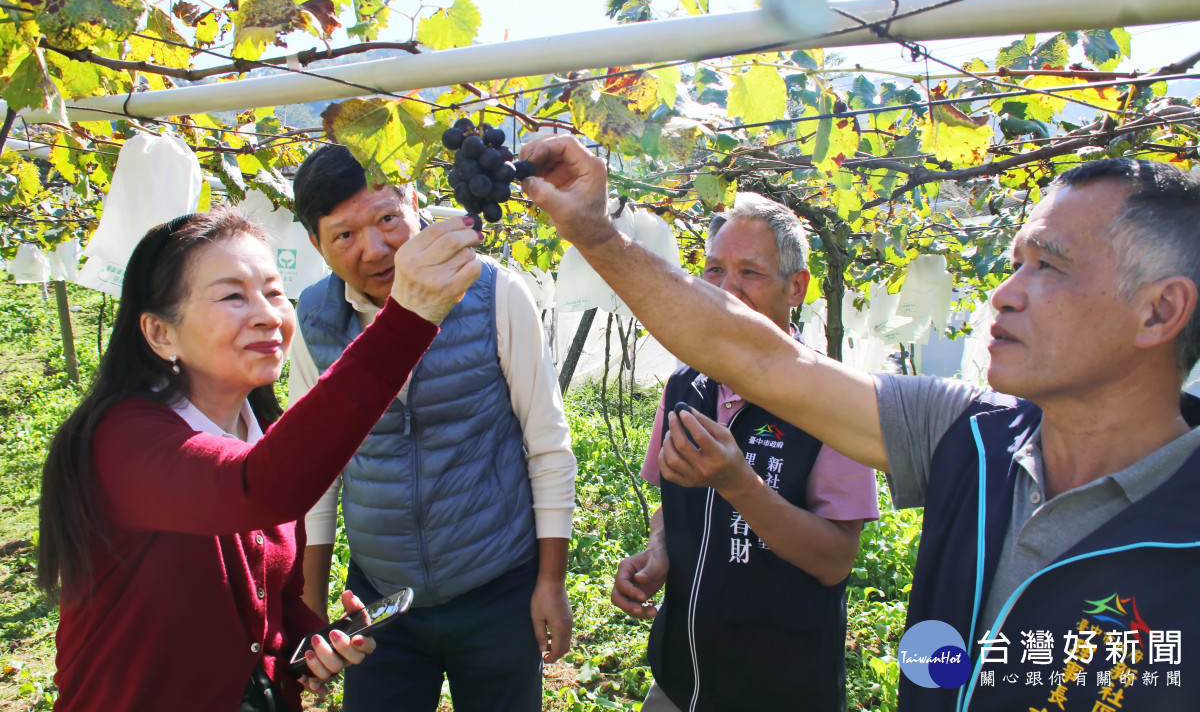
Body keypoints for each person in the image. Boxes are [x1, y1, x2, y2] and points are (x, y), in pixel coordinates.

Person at [521, 137, 1200, 712]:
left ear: (1159, 311)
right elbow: (752, 353)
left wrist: (739, 484)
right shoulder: (967, 436)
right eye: (1015, 261)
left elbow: (831, 553)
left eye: (1047, 265)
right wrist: (595, 232)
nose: (1004, 292)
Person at [37, 207, 484, 712]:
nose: (269, 314)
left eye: (274, 292)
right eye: (232, 295)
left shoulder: (264, 438)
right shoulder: (122, 441)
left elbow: (277, 600)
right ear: (161, 333)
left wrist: (310, 643)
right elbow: (255, 489)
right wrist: (407, 319)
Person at [289, 144, 577, 712]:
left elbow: (547, 446)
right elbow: (314, 471)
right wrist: (311, 608)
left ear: (415, 204)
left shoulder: (495, 293)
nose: (375, 249)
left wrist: (550, 582)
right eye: (343, 236)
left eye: (387, 219)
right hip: (379, 597)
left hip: (497, 588)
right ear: (316, 246)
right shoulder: (314, 320)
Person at [610, 193, 878, 712]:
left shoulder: (833, 401)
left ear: (795, 287)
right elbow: (672, 502)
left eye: (750, 272)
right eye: (713, 270)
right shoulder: (685, 385)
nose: (726, 290)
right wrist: (660, 549)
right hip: (678, 678)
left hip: (781, 690)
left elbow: (835, 560)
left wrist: (739, 484)